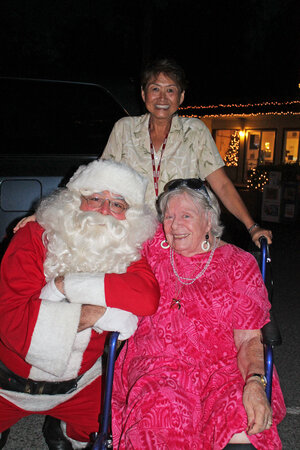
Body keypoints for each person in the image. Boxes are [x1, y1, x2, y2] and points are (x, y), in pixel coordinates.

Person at [14, 58, 271, 248]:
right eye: (155, 88)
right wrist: (45, 216)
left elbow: (222, 185)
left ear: (181, 97)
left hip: (184, 235)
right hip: (135, 235)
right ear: (143, 94)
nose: (162, 97)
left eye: (170, 90)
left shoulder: (196, 131)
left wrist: (252, 226)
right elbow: (95, 181)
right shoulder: (124, 129)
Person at [111, 178, 285, 449]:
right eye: (168, 216)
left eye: (186, 215)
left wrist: (254, 381)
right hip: (159, 367)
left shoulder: (239, 264)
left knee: (243, 421)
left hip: (224, 369)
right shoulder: (153, 248)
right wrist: (48, 219)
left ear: (209, 220)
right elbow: (104, 221)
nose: (175, 224)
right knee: (160, 418)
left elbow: (250, 339)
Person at [0, 159, 159, 449]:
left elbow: (146, 297)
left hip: (78, 388)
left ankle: (62, 427)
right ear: (74, 201)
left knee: (108, 434)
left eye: (117, 205)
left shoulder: (124, 248)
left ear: (129, 216)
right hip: (6, 384)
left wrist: (63, 286)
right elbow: (13, 324)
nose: (103, 211)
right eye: (95, 198)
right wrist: (99, 312)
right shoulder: (33, 237)